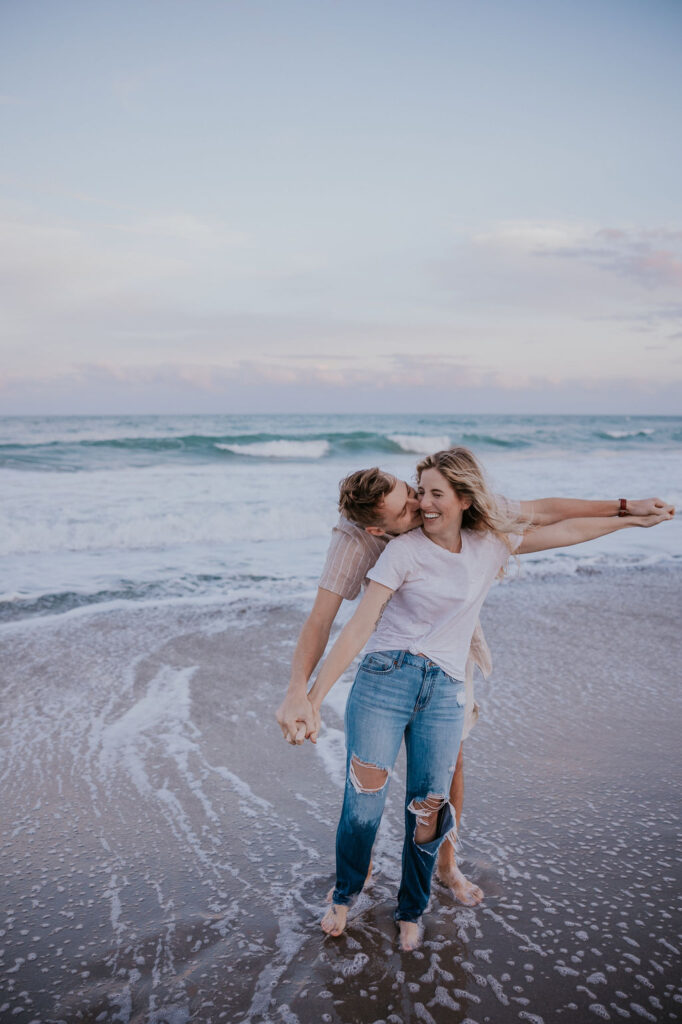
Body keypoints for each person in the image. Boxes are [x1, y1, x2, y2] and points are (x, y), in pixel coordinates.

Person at [301, 448, 673, 951]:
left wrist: (628, 517)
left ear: (461, 499)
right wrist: (310, 696)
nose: (422, 504)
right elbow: (357, 625)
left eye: (431, 494)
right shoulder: (399, 550)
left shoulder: (488, 542)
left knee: (428, 807)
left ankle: (412, 907)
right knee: (363, 804)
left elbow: (559, 525)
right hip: (386, 678)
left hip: (447, 686)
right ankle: (344, 895)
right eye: (416, 497)